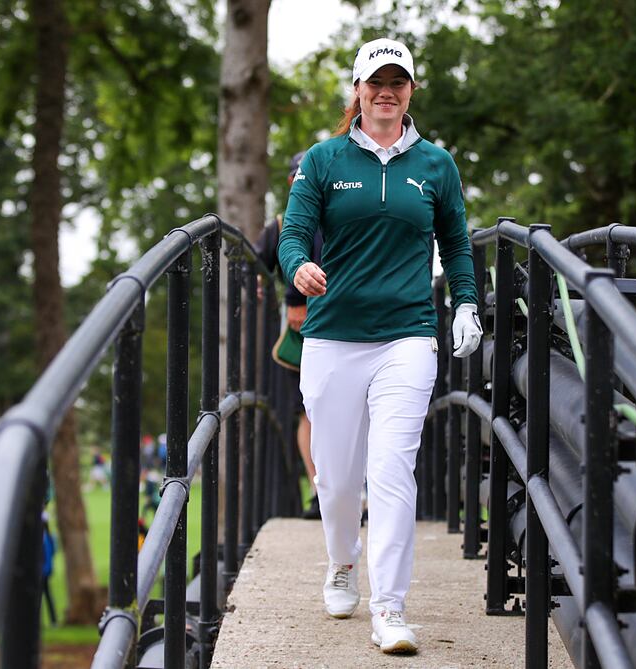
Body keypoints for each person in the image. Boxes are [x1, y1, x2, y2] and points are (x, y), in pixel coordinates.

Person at [277, 37, 482, 655]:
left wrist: (467, 302)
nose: (386, 91)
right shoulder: (322, 159)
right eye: (376, 82)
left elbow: (459, 241)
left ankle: (390, 609)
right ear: (358, 91)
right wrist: (298, 267)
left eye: (398, 81)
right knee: (337, 480)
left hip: (409, 335)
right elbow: (292, 234)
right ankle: (342, 561)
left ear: (411, 90)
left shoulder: (436, 166)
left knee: (391, 470)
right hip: (334, 336)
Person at [255, 150, 324, 520]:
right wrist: (259, 283)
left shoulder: (340, 212)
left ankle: (356, 491)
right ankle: (318, 492)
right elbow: (254, 261)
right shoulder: (281, 225)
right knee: (310, 410)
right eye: (300, 178)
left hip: (350, 320)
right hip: (304, 329)